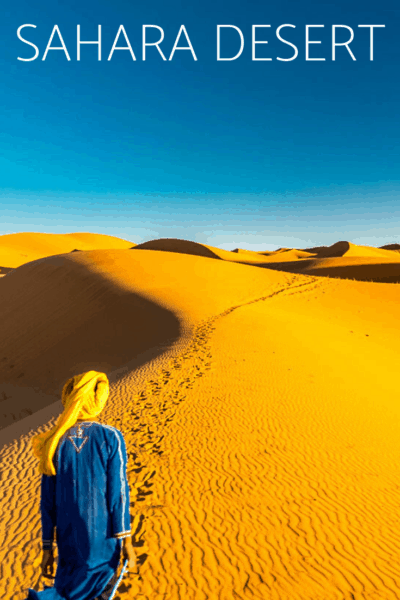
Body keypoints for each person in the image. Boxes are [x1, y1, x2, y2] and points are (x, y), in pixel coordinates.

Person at [24, 370, 137, 600]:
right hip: (103, 548)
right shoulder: (111, 437)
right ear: (98, 400)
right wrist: (127, 542)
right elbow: (119, 495)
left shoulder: (54, 442)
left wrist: (47, 549)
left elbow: (47, 504)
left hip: (69, 547)